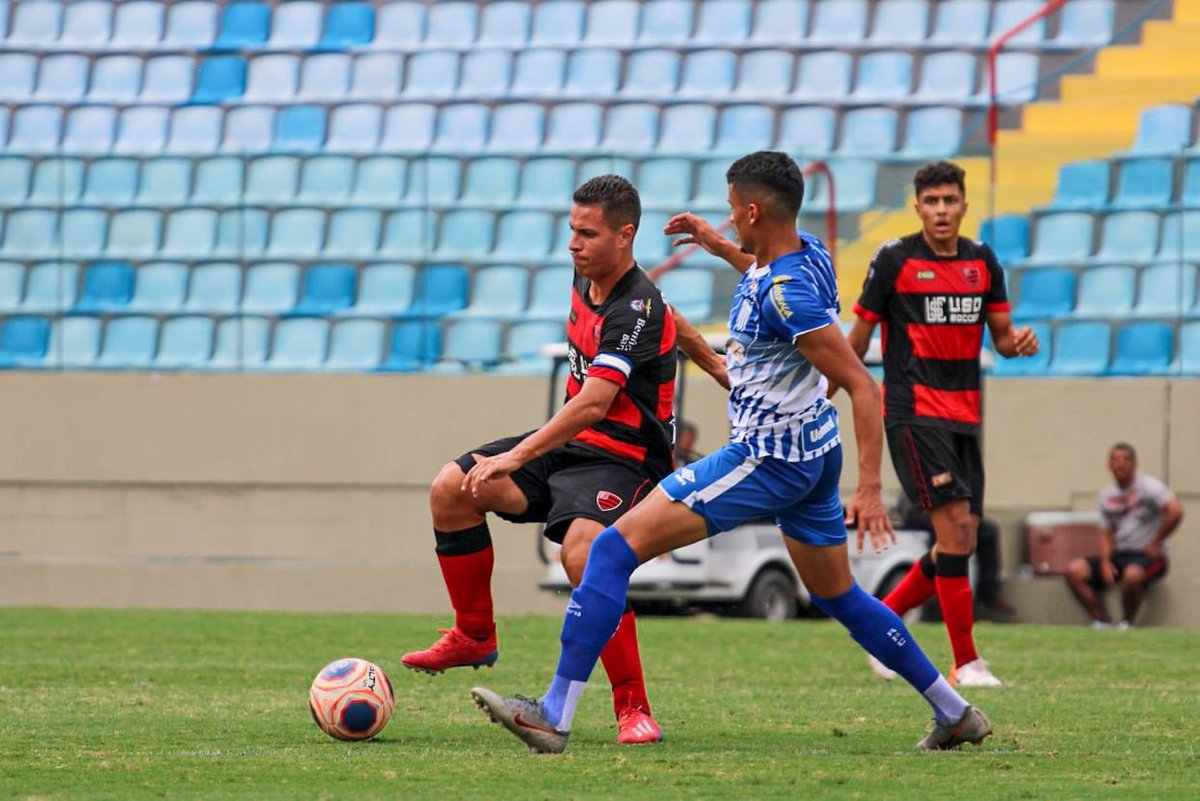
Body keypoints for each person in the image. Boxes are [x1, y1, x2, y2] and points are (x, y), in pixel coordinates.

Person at [468, 151, 993, 755]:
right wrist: (716, 244)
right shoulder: (808, 257)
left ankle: (553, 714)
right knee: (838, 595)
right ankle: (953, 711)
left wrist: (871, 489)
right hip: (814, 453)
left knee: (610, 551)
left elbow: (862, 385)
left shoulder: (787, 293)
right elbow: (765, 274)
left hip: (766, 461)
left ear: (752, 210)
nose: (728, 217)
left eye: (730, 210)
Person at [400, 174, 727, 746]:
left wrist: (516, 458)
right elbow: (675, 318)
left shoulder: (635, 308)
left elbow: (598, 401)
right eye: (571, 231)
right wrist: (717, 365)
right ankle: (474, 634)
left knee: (584, 554)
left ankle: (633, 710)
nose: (573, 244)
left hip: (626, 458)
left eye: (587, 234)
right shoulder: (591, 273)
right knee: (451, 490)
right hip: (571, 447)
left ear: (625, 236)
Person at [840, 161, 1039, 688]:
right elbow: (856, 342)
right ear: (918, 207)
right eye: (932, 202)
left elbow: (1001, 337)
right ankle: (966, 660)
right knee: (952, 531)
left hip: (966, 415)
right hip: (913, 412)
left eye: (950, 200)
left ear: (964, 205)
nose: (942, 210)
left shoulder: (982, 262)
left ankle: (882, 628)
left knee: (962, 539)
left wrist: (1018, 344)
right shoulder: (895, 260)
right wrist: (827, 388)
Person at [1065, 443, 1183, 629]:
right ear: (1108, 465)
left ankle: (1127, 622)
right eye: (1114, 460)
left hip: (1148, 555)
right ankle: (1100, 620)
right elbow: (1106, 532)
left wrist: (1156, 542)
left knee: (1132, 575)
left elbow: (1175, 511)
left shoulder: (1149, 487)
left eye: (1125, 460)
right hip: (1119, 553)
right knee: (1075, 570)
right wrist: (1105, 562)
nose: (1119, 465)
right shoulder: (1106, 495)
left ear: (1135, 464)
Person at [894, 492, 1015, 622]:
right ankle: (942, 594)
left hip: (948, 505)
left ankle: (988, 592)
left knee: (987, 530)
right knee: (946, 534)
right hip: (921, 505)